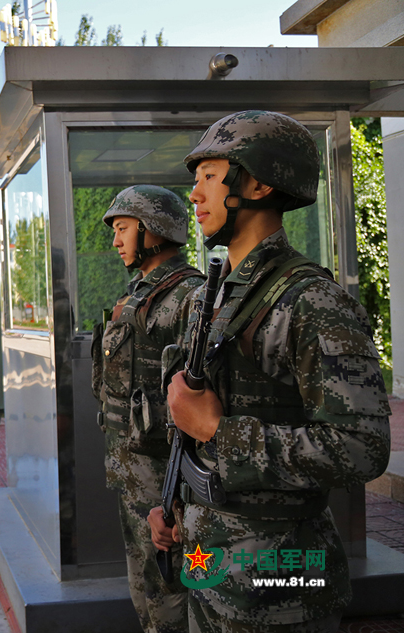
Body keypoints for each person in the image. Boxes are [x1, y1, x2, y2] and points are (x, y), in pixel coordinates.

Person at [148, 111, 391, 633]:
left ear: (257, 182)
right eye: (195, 182)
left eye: (209, 177)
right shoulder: (210, 298)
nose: (194, 196)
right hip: (208, 563)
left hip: (277, 586)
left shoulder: (312, 301)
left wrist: (217, 430)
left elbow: (362, 447)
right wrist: (170, 504)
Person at [92, 185, 202, 633]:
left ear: (153, 229)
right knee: (146, 582)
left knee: (171, 584)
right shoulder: (144, 291)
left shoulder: (189, 296)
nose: (116, 241)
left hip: (165, 476)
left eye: (123, 228)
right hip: (132, 466)